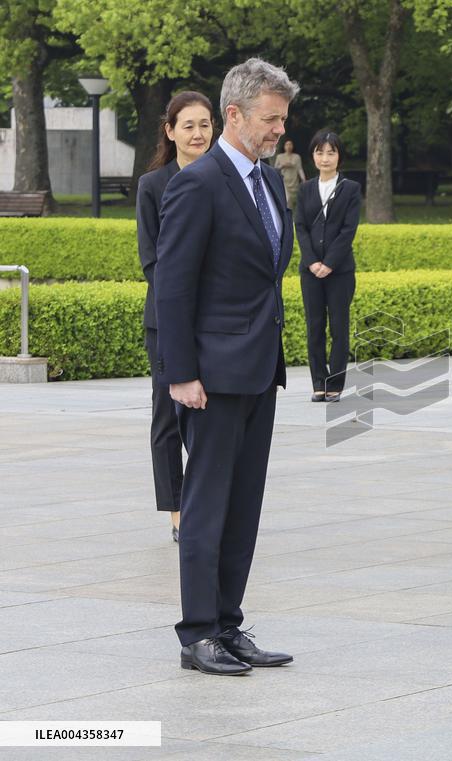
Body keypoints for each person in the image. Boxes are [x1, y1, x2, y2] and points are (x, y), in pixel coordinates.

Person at [154, 58, 299, 676]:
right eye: (270, 119)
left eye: (282, 119)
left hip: (260, 368)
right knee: (208, 506)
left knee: (244, 506)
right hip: (210, 376)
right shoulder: (199, 182)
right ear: (234, 115)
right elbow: (173, 286)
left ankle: (229, 623)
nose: (278, 131)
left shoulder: (266, 181)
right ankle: (197, 635)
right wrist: (180, 374)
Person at [136, 90, 213, 544]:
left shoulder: (223, 179)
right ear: (170, 131)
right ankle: (177, 510)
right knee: (167, 414)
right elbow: (153, 262)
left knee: (210, 417)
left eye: (205, 124)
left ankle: (206, 501)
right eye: (188, 125)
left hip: (216, 323)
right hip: (166, 321)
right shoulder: (153, 186)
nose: (198, 133)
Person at [294, 129, 361, 403]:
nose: (325, 157)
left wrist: (329, 263)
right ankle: (318, 383)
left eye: (330, 152)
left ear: (339, 156)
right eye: (320, 152)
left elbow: (348, 230)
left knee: (338, 327)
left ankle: (335, 384)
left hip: (340, 272)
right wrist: (311, 262)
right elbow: (300, 226)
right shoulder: (305, 189)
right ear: (313, 156)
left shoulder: (350, 189)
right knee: (314, 326)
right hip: (310, 272)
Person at [274, 139, 306, 208]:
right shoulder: (279, 157)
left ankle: (294, 217)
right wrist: (282, 166)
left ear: (293, 146)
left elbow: (300, 169)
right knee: (288, 201)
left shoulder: (297, 157)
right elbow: (275, 170)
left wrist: (304, 180)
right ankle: (287, 217)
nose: (289, 146)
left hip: (294, 182)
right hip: (284, 183)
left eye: (290, 144)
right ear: (284, 146)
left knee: (296, 203)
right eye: (287, 145)